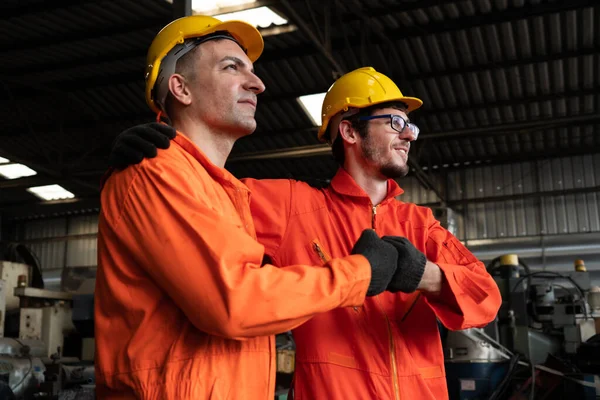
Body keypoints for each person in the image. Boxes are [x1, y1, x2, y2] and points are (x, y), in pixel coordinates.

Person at [109, 67, 502, 399]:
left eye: (410, 125)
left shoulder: (420, 223)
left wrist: (424, 275)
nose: (409, 135)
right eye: (396, 122)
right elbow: (203, 191)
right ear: (349, 132)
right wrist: (161, 146)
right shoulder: (291, 207)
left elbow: (486, 295)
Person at [96, 16, 408, 400]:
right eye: (232, 67)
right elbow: (235, 302)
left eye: (253, 71)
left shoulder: (228, 194)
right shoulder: (155, 173)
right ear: (181, 88)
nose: (257, 83)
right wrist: (362, 272)